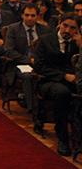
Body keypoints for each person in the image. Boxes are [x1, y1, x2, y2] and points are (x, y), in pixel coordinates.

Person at [34, 14, 82, 156]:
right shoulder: (46, 40)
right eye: (65, 25)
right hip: (49, 81)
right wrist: (63, 76)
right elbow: (39, 66)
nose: (67, 30)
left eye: (72, 28)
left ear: (77, 30)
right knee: (63, 93)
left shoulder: (77, 43)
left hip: (74, 81)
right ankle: (62, 138)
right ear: (59, 24)